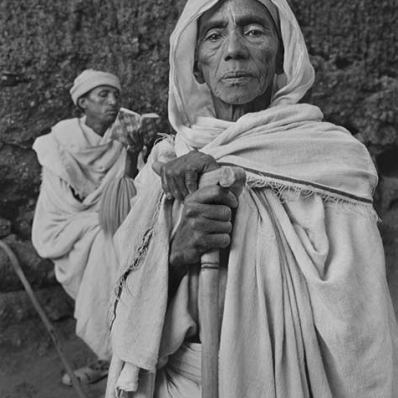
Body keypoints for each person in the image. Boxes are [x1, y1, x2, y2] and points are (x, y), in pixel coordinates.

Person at [106, 0, 398, 397]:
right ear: (196, 66)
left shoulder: (331, 159)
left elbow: (357, 316)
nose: (233, 49)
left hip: (292, 382)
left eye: (254, 30)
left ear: (281, 56)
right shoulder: (167, 166)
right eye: (213, 35)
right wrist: (176, 253)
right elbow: (125, 307)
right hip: (184, 383)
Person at [31, 69, 145, 385]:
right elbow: (58, 204)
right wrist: (96, 218)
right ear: (83, 102)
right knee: (105, 238)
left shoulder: (123, 139)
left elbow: (132, 194)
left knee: (116, 238)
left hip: (112, 222)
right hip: (66, 226)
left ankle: (115, 353)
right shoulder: (58, 143)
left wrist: (134, 154)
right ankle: (111, 354)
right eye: (103, 96)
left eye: (116, 96)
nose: (112, 102)